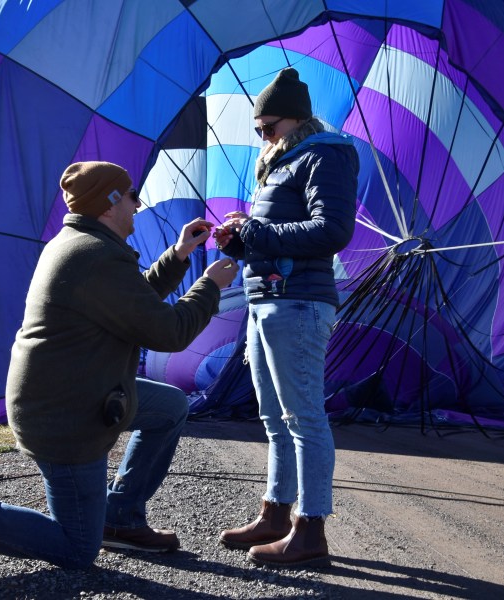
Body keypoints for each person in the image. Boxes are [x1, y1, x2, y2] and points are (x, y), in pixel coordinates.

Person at [0, 160, 238, 576]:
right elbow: (168, 332)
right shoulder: (95, 255)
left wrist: (180, 254)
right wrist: (210, 286)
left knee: (169, 408)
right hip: (66, 414)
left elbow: (132, 303)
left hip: (75, 392)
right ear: (111, 203)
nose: (138, 204)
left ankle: (121, 517)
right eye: (132, 195)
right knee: (77, 547)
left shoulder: (79, 244)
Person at [214, 67, 359, 568]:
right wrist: (242, 237)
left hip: (298, 301)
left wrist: (255, 233)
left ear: (295, 118)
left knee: (304, 419)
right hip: (265, 300)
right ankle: (275, 515)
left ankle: (309, 529)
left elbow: (332, 230)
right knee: (275, 419)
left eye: (267, 127)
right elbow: (274, 233)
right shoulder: (282, 161)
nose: (262, 136)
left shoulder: (325, 154)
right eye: (257, 130)